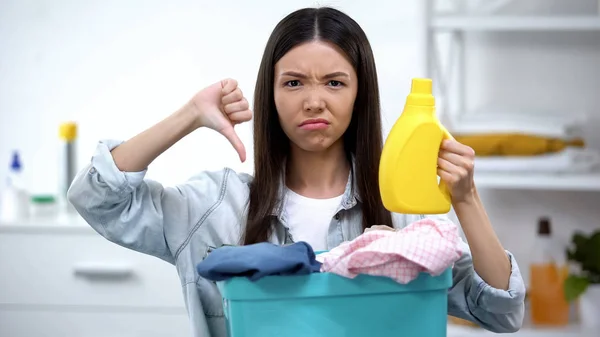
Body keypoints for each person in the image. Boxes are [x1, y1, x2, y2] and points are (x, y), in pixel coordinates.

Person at [68, 6, 525, 337]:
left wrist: (465, 198)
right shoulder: (216, 208)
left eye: (334, 82)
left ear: (360, 95)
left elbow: (502, 313)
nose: (313, 100)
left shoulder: (406, 217)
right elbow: (98, 199)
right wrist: (190, 114)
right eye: (293, 82)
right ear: (270, 94)